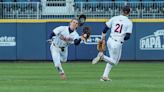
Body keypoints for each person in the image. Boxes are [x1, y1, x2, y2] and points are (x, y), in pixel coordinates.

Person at [92, 6, 133, 81]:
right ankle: (102, 57)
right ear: (129, 12)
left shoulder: (114, 18)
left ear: (122, 11)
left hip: (110, 40)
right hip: (117, 43)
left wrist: (103, 38)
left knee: (111, 59)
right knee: (115, 62)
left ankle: (104, 76)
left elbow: (105, 29)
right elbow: (127, 37)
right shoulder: (129, 22)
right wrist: (121, 37)